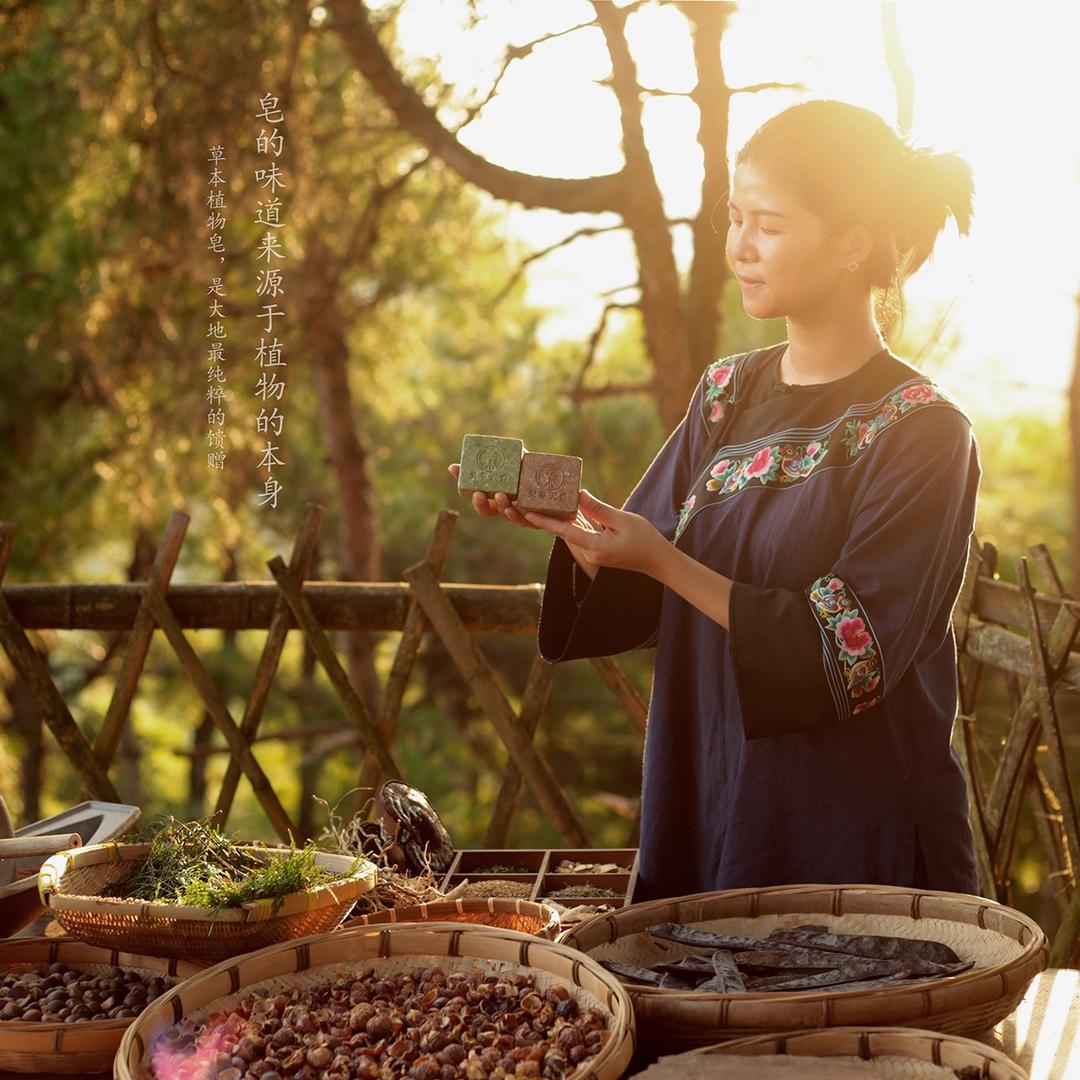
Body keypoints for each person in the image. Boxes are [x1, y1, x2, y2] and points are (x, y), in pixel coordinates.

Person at [449, 99, 981, 903]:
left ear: (853, 245)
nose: (739, 247)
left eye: (768, 223)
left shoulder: (922, 432)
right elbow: (644, 569)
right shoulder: (727, 394)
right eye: (735, 218)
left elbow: (851, 653)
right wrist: (578, 528)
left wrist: (660, 558)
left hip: (847, 831)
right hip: (707, 797)